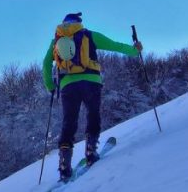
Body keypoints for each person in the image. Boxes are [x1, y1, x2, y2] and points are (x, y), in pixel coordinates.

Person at [42, 12, 143, 180]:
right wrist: (134, 51)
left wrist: (51, 86)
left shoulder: (56, 42)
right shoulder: (89, 35)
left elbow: (46, 65)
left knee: (69, 122)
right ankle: (90, 151)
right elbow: (114, 45)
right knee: (93, 114)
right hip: (91, 80)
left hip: (68, 85)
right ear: (78, 22)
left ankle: (64, 165)